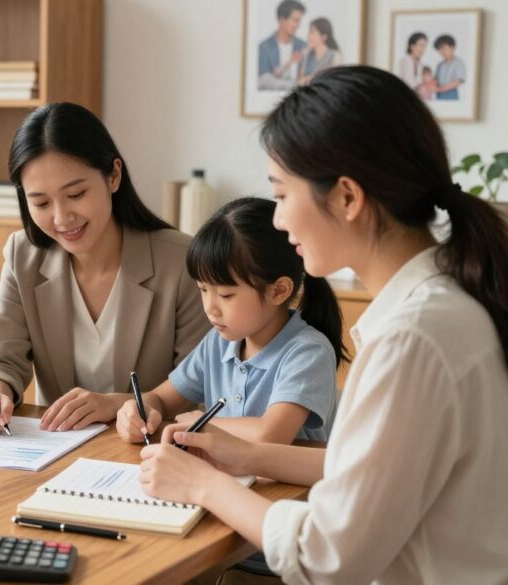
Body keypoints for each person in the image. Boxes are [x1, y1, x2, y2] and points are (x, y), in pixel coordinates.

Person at [139, 66, 508, 583]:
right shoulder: (445, 306)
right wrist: (245, 454)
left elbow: (325, 557)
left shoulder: (415, 338)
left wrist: (202, 485)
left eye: (283, 194)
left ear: (348, 198)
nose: (279, 219)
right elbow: (371, 472)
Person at [0, 102, 209, 435]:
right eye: (41, 203)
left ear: (114, 175)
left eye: (76, 194)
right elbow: (4, 355)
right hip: (56, 450)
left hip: (154, 450)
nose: (62, 218)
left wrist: (116, 404)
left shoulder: (180, 261)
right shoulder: (23, 255)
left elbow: (202, 380)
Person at [117, 197, 344, 448]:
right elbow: (160, 398)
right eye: (203, 290)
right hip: (223, 480)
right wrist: (140, 410)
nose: (210, 308)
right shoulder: (218, 343)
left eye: (225, 295)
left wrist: (202, 423)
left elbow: (271, 435)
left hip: (285, 486)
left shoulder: (308, 351)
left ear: (278, 291)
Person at [257, 0, 307, 91]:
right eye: (295, 21)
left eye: (299, 21)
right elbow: (263, 81)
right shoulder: (265, 47)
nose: (298, 25)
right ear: (282, 20)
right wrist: (294, 85)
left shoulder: (303, 46)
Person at [297, 18, 342, 85]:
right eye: (309, 32)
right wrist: (304, 59)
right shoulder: (306, 55)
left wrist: (309, 79)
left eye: (312, 32)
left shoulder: (334, 56)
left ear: (323, 37)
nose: (308, 36)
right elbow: (300, 82)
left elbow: (335, 81)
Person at [434, 34, 466, 100]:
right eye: (439, 49)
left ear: (452, 47)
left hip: (451, 94)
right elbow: (436, 80)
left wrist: (440, 89)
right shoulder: (440, 65)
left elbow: (457, 82)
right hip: (439, 94)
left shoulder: (458, 63)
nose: (441, 52)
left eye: (443, 48)